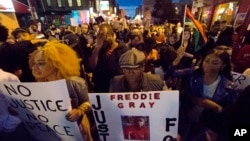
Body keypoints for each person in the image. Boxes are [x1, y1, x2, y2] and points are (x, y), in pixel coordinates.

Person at [28, 41, 93, 141]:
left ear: (56, 64)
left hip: (76, 129)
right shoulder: (38, 86)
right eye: (34, 63)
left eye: (41, 63)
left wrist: (79, 111)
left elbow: (88, 102)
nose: (35, 68)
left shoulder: (75, 83)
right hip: (52, 132)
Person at [179, 47, 238, 141]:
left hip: (207, 126)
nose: (209, 65)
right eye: (206, 61)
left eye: (215, 63)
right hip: (185, 119)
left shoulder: (229, 87)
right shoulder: (194, 75)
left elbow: (229, 114)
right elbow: (183, 96)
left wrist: (215, 107)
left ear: (223, 66)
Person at [88, 23, 129, 92]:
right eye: (100, 36)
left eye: (105, 36)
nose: (103, 39)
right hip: (100, 88)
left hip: (117, 89)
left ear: (113, 36)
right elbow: (92, 66)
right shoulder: (97, 49)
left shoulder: (123, 50)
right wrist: (97, 48)